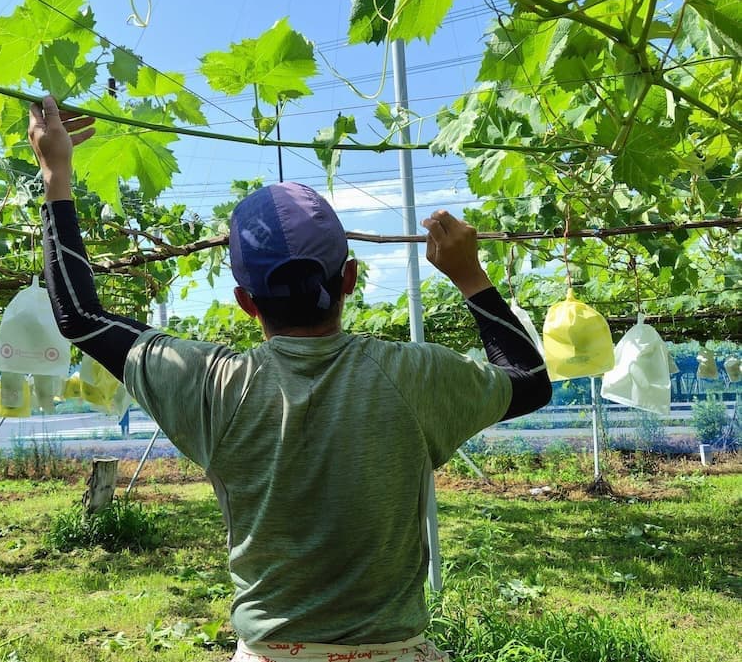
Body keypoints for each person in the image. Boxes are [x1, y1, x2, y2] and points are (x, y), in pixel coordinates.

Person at [29, 95, 551, 662]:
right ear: (350, 278)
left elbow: (78, 316)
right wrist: (471, 277)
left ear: (245, 302)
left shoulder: (211, 383)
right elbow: (528, 378)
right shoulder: (413, 373)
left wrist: (56, 178)